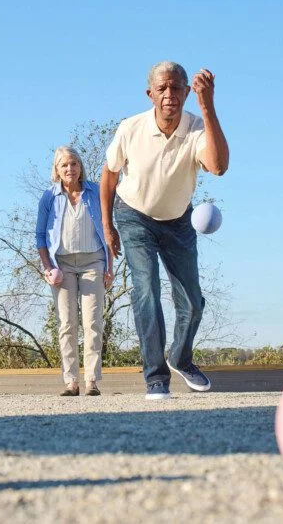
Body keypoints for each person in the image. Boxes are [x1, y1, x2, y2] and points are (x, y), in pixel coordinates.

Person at [100, 61, 229, 399]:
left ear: (187, 92)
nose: (169, 95)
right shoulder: (131, 128)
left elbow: (218, 166)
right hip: (134, 216)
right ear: (151, 94)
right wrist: (107, 226)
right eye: (163, 89)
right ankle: (156, 376)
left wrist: (208, 105)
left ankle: (180, 357)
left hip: (178, 221)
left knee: (193, 302)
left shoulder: (199, 127)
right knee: (147, 289)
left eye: (177, 88)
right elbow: (109, 175)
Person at [36, 146, 113, 396]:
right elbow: (39, 237)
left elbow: (108, 230)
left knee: (93, 323)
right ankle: (71, 381)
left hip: (93, 262)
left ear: (80, 167)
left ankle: (92, 380)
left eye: (74, 164)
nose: (70, 169)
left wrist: (110, 267)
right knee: (66, 324)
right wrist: (48, 267)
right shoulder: (49, 197)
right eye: (64, 165)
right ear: (56, 170)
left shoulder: (95, 191)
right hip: (61, 265)